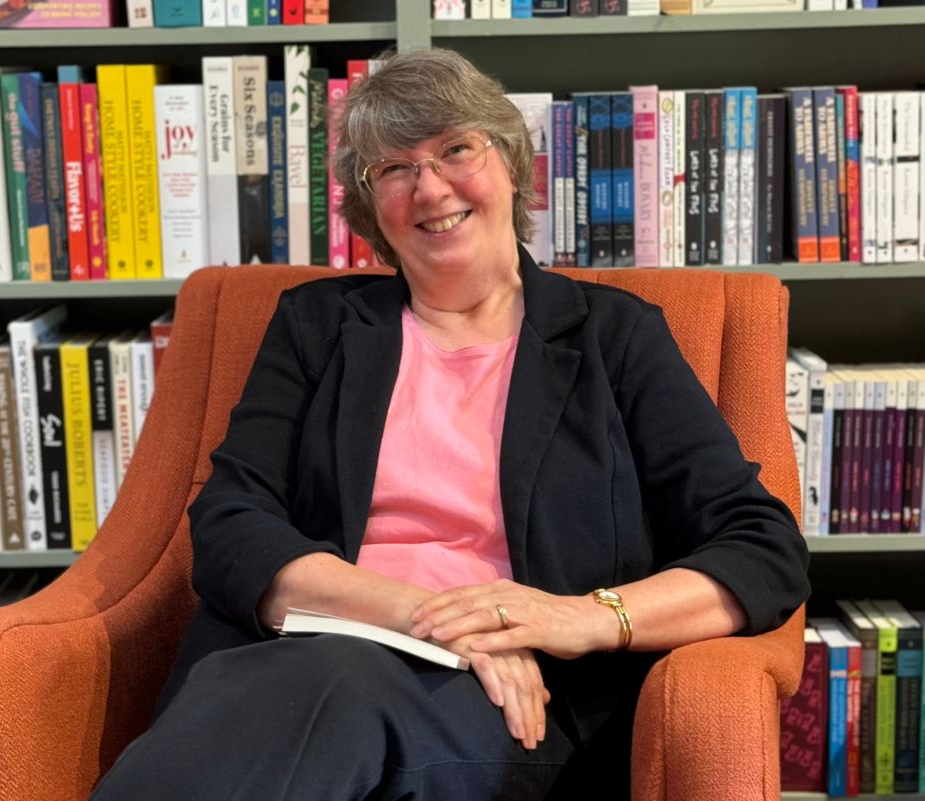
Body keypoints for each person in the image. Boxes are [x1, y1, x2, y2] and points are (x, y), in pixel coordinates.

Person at [90, 48, 810, 801]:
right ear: (371, 206)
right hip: (302, 659)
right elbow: (232, 525)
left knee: (332, 688)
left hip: (516, 704)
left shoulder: (615, 337)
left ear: (509, 162)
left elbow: (762, 549)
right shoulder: (316, 327)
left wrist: (580, 617)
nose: (430, 188)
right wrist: (430, 618)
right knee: (314, 679)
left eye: (456, 149)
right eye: (393, 169)